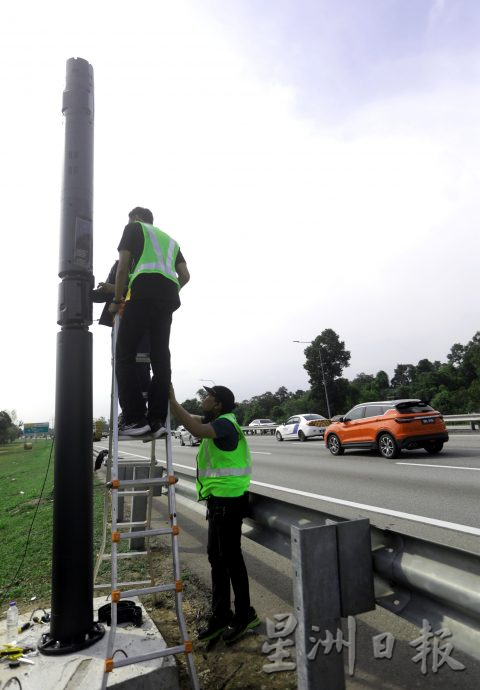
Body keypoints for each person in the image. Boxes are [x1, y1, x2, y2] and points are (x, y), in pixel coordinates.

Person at [169, 384, 260, 644]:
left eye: (208, 396)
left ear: (218, 404)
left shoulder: (224, 425)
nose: (204, 398)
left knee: (231, 560)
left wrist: (172, 399)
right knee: (217, 559)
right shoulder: (217, 421)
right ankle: (221, 616)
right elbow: (188, 419)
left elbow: (195, 428)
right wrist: (171, 401)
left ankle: (245, 615)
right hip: (218, 502)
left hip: (229, 503)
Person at [109, 207, 190, 437]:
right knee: (161, 358)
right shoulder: (171, 241)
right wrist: (167, 291)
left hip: (142, 294)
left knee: (124, 354)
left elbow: (123, 266)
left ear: (135, 218)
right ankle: (156, 420)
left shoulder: (133, 228)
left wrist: (117, 299)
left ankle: (135, 419)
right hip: (168, 299)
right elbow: (185, 276)